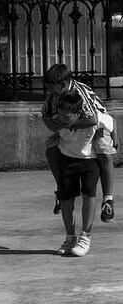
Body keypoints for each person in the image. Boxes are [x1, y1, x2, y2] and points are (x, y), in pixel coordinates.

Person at [41, 63, 117, 222]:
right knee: (51, 150)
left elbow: (94, 119)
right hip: (69, 126)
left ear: (62, 85)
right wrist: (55, 126)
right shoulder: (53, 95)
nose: (49, 91)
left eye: (51, 88)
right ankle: (61, 190)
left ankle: (108, 200)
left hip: (93, 127)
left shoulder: (81, 93)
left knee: (104, 150)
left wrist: (70, 125)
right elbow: (45, 117)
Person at [54, 90, 113, 256]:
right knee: (66, 200)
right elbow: (50, 125)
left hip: (89, 160)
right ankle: (70, 237)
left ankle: (85, 236)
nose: (62, 120)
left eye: (67, 117)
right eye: (60, 115)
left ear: (78, 114)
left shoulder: (94, 119)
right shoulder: (57, 120)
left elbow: (110, 121)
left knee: (89, 195)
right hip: (66, 160)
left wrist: (115, 138)